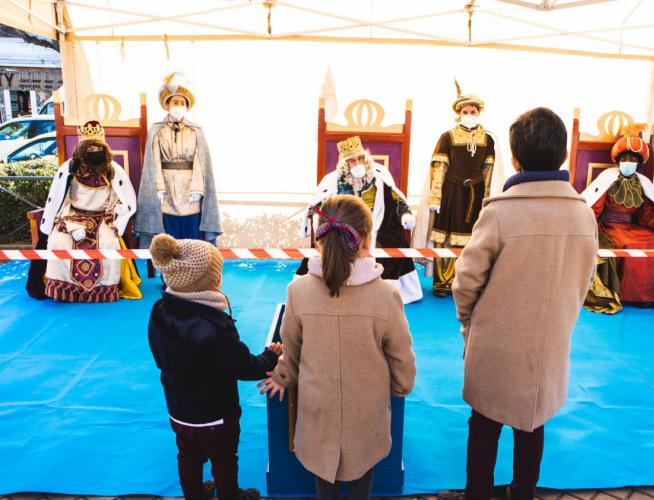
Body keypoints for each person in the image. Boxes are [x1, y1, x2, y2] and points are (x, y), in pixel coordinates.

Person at [449, 108, 597, 500]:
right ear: (564, 155)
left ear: (514, 158)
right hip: (550, 342)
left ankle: (477, 493)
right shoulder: (583, 214)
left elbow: (466, 282)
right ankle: (523, 492)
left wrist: (470, 322)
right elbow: (586, 280)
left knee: (484, 423)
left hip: (496, 343)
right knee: (532, 422)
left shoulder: (500, 211)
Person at [260, 194, 416, 500]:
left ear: (319, 240)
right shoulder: (386, 294)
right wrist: (399, 387)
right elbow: (402, 357)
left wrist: (281, 378)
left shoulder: (299, 290)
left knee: (324, 480)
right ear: (366, 240)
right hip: (367, 413)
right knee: (363, 472)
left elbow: (291, 348)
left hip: (317, 412)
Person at [148, 233, 281, 500]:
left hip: (178, 409)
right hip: (216, 415)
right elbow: (247, 367)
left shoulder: (158, 311)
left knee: (187, 454)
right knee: (224, 458)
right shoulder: (218, 327)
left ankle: (194, 494)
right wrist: (271, 356)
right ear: (211, 280)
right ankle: (229, 495)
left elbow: (159, 356)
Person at [298, 136, 422, 304]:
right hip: (344, 229)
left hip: (375, 227)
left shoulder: (379, 176)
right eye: (352, 160)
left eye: (360, 158)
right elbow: (319, 204)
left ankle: (380, 291)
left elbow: (397, 199)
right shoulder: (333, 181)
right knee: (330, 242)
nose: (357, 163)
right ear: (344, 163)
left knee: (393, 241)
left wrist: (405, 214)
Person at [582, 125, 654, 314]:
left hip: (634, 225)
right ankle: (636, 296)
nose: (628, 162)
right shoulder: (608, 178)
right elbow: (594, 206)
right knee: (631, 245)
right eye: (625, 158)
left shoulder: (643, 182)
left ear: (639, 162)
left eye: (633, 159)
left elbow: (647, 211)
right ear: (618, 160)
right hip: (610, 226)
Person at [36, 120, 140, 302]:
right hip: (72, 216)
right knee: (57, 242)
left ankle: (103, 290)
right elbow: (62, 201)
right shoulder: (69, 169)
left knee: (108, 244)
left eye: (97, 148)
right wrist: (71, 225)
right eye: (89, 149)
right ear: (82, 150)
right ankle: (67, 291)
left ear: (104, 149)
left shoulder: (113, 170)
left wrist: (117, 214)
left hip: (103, 218)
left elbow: (122, 198)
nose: (94, 153)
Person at [414, 81, 497, 297]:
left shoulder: (487, 139)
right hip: (452, 192)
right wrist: (435, 196)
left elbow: (489, 170)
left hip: (476, 194)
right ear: (459, 114)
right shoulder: (447, 136)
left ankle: (466, 283)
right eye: (465, 111)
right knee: (446, 238)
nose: (469, 114)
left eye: (473, 111)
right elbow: (439, 167)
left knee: (473, 240)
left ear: (479, 113)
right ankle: (443, 282)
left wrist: (487, 198)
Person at [136, 72, 222, 248]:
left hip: (190, 189)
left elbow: (200, 161)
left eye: (182, 103)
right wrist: (158, 187)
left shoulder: (195, 130)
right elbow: (154, 161)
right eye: (175, 102)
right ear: (167, 105)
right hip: (166, 190)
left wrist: (198, 188)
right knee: (169, 236)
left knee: (192, 236)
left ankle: (193, 272)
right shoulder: (157, 130)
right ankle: (170, 273)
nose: (179, 106)